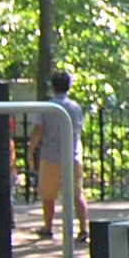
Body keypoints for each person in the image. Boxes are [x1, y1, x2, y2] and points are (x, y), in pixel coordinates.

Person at [33, 69, 85, 240]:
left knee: (48, 195)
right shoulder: (75, 107)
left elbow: (38, 130)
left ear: (53, 86)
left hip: (51, 156)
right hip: (72, 156)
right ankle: (83, 229)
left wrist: (30, 149)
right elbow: (79, 130)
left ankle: (48, 227)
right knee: (77, 194)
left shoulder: (48, 107)